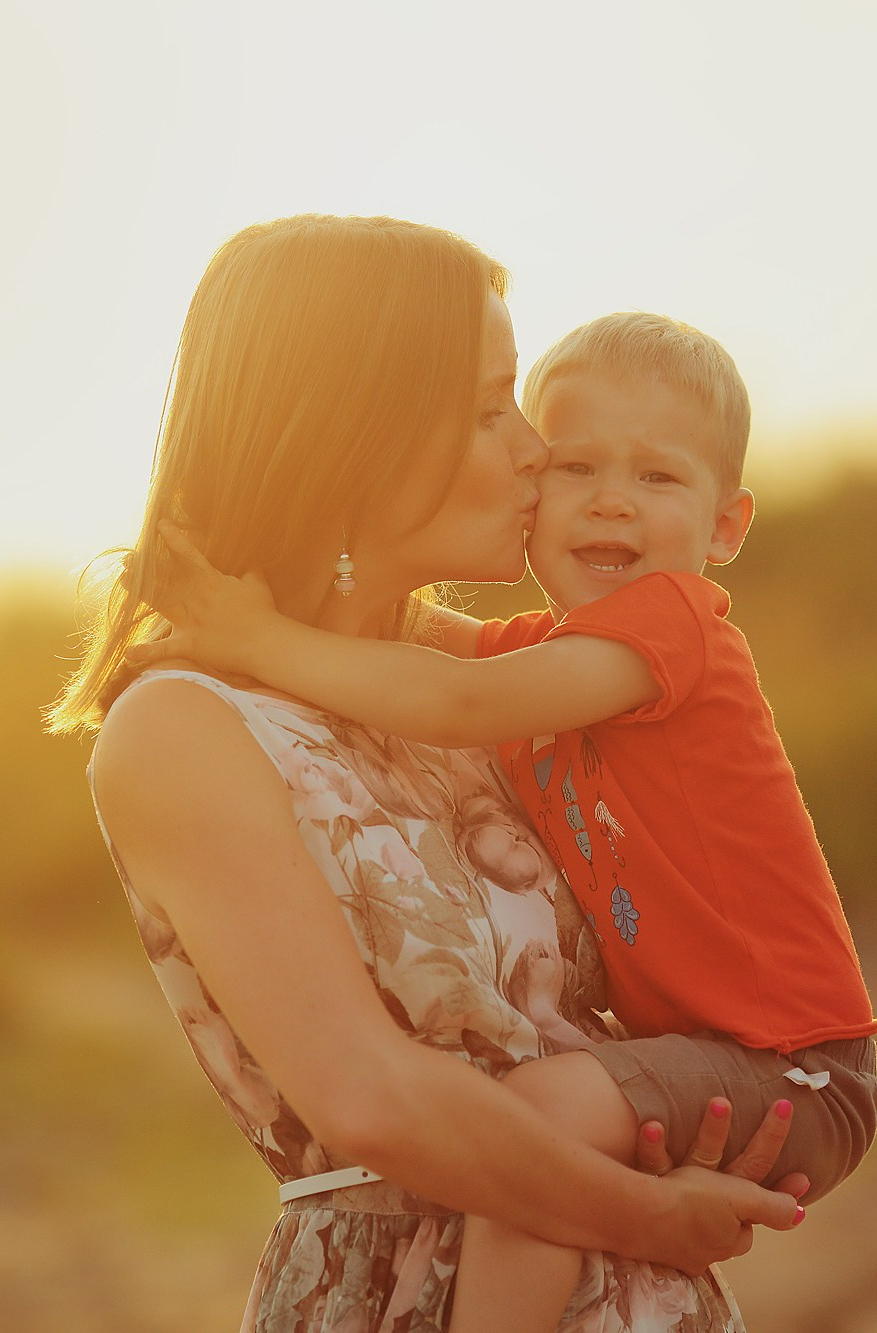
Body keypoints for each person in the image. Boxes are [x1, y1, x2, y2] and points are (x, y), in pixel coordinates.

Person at [49, 216, 804, 1333]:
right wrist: (650, 1217)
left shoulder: (476, 698)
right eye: (495, 407)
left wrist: (677, 1126)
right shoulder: (185, 727)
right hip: (405, 1297)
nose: (533, 451)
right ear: (362, 430)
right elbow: (373, 1100)